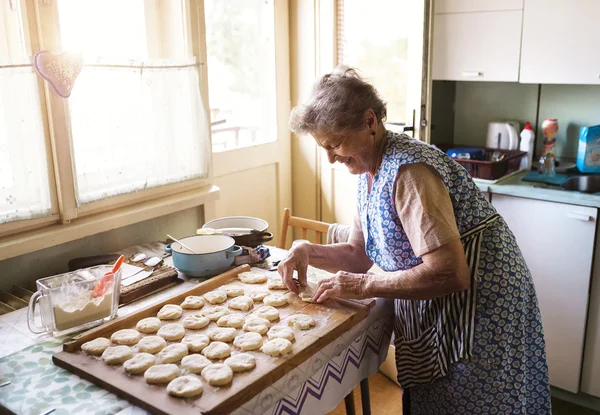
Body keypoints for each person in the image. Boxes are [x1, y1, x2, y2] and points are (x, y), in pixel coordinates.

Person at [278, 66, 552, 414]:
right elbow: (358, 253)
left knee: (473, 401)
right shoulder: (366, 170)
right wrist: (305, 249)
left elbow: (450, 272)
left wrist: (364, 286)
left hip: (481, 304)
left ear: (369, 121)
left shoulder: (409, 173)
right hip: (444, 301)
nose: (332, 157)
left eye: (336, 144)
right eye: (324, 147)